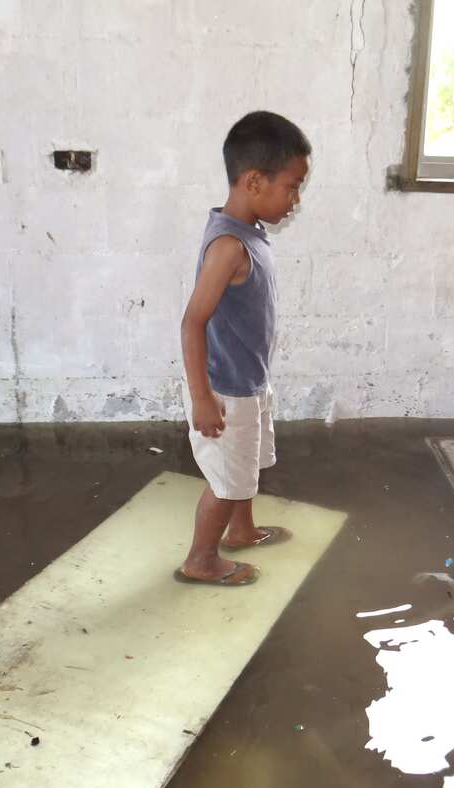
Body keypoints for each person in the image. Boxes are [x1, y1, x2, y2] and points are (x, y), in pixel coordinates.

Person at [176, 111, 311, 586]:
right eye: (291, 187)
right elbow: (193, 323)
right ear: (254, 181)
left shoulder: (251, 234)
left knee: (247, 463)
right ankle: (201, 559)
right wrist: (202, 397)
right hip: (225, 391)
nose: (295, 199)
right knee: (227, 480)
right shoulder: (229, 246)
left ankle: (243, 530)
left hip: (249, 381)